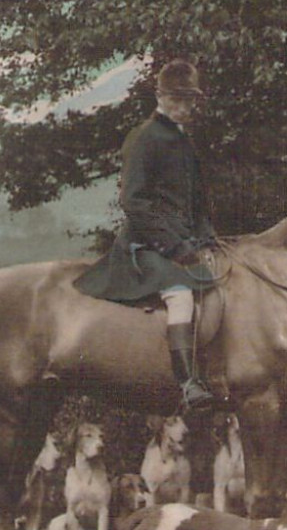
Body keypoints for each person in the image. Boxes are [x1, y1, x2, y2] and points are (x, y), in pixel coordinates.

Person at [73, 58, 222, 412]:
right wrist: (174, 245)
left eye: (190, 100)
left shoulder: (182, 140)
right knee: (181, 295)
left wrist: (207, 237)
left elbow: (196, 201)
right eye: (179, 99)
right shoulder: (144, 138)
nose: (186, 107)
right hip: (145, 246)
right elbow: (134, 202)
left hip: (183, 243)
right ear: (160, 96)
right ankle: (187, 382)